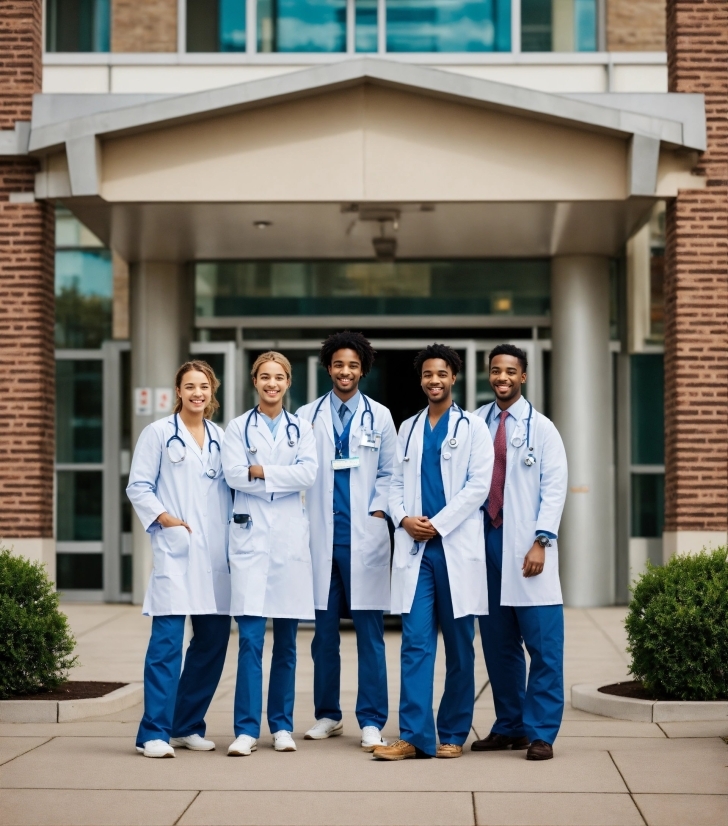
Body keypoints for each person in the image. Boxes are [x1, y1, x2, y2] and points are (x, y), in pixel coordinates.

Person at [373, 343, 493, 761]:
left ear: (454, 377)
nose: (434, 381)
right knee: (416, 643)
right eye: (427, 375)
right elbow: (393, 484)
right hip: (416, 551)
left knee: (460, 646)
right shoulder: (407, 427)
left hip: (454, 547)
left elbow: (478, 486)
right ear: (420, 380)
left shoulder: (474, 428)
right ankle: (414, 736)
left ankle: (454, 732)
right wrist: (404, 519)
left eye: (441, 373)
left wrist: (437, 524)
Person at [297, 331, 397, 752]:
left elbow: (391, 474)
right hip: (321, 541)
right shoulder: (305, 415)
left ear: (363, 369)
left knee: (370, 636)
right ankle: (328, 715)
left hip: (363, 540)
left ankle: (372, 719)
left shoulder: (381, 416)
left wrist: (378, 511)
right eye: (339, 364)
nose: (345, 372)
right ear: (328, 367)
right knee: (323, 636)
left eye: (353, 365)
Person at [127, 360, 232, 759]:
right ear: (178, 391)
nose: (197, 393)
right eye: (189, 386)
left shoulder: (223, 438)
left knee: (212, 643)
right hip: (177, 552)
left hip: (216, 558)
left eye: (203, 386)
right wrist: (166, 519)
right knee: (166, 645)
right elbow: (138, 485)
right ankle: (153, 731)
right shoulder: (157, 433)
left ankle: (187, 724)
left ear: (212, 391)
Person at [471, 344, 568, 761]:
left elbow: (555, 486)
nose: (502, 378)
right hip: (484, 541)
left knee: (543, 645)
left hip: (528, 545)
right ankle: (509, 725)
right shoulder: (474, 422)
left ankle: (541, 731)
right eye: (496, 371)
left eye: (510, 371)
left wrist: (542, 540)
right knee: (498, 644)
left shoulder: (542, 428)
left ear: (523, 376)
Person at [222, 351, 318, 757]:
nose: (272, 384)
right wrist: (279, 476)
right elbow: (233, 475)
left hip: (290, 546)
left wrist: (261, 471)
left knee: (288, 644)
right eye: (265, 377)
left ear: (288, 382)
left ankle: (281, 726)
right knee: (249, 641)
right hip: (251, 543)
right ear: (254, 381)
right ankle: (246, 729)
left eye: (279, 377)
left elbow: (309, 474)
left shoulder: (302, 428)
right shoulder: (236, 428)